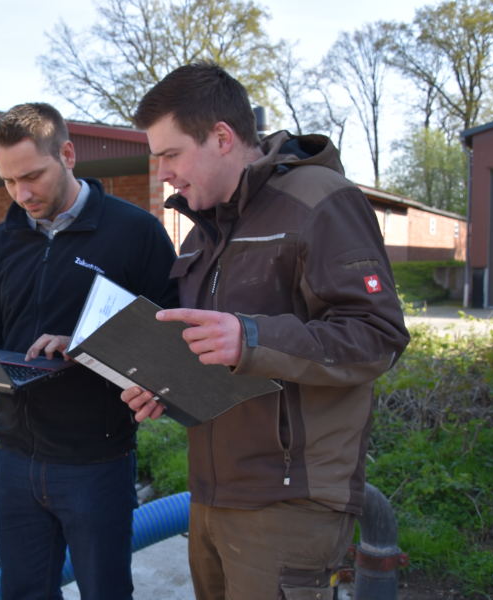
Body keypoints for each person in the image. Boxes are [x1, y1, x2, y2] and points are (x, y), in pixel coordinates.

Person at [122, 62, 410, 600]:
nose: (162, 172)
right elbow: (213, 351)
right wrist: (165, 380)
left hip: (289, 502)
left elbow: (377, 335)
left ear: (222, 138)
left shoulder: (320, 201)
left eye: (170, 154)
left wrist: (252, 338)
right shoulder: (201, 234)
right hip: (212, 492)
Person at [0, 102, 179, 600]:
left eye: (32, 176)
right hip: (14, 460)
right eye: (7, 181)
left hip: (96, 462)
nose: (21, 194)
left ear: (67, 153)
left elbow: (171, 347)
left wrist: (88, 343)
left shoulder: (137, 234)